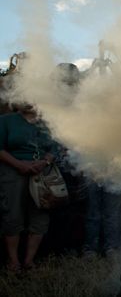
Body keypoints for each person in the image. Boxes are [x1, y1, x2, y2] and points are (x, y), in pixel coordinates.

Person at [0, 103, 56, 272]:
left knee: (40, 214)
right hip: (12, 172)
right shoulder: (6, 121)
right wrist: (19, 164)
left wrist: (44, 161)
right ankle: (13, 262)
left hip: (42, 173)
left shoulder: (47, 122)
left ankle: (29, 261)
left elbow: (54, 148)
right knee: (12, 215)